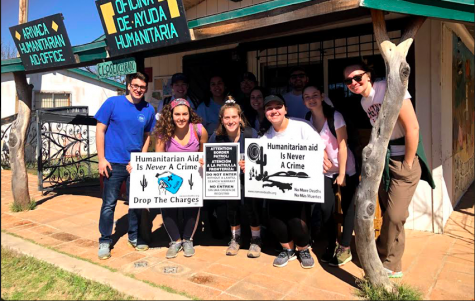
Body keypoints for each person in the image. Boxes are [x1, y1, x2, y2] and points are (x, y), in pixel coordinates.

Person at [343, 63, 434, 278]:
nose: (354, 83)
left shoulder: (388, 88)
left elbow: (412, 127)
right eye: (348, 81)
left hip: (404, 159)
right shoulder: (365, 101)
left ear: (369, 75)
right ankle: (394, 263)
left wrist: (409, 162)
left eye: (358, 77)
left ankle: (384, 254)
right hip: (384, 159)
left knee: (395, 215)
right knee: (389, 213)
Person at [258, 94, 328, 269]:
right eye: (269, 108)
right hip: (275, 186)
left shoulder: (301, 126)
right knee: (275, 218)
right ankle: (287, 250)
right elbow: (257, 156)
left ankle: (303, 249)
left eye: (278, 106)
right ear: (265, 112)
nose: (274, 111)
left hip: (298, 186)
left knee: (297, 219)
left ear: (285, 109)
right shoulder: (265, 132)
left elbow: (317, 146)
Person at [95, 72, 156, 260]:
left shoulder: (148, 109)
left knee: (135, 204)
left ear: (146, 89)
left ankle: (134, 236)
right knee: (109, 204)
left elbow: (147, 136)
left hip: (135, 165)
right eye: (135, 86)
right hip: (112, 163)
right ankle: (105, 240)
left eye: (142, 87)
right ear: (129, 85)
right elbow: (100, 130)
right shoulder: (112, 103)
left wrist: (142, 159)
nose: (139, 90)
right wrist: (101, 159)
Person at [302, 85, 359, 267]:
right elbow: (314, 144)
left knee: (349, 207)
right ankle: (331, 243)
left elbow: (343, 145)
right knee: (326, 208)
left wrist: (342, 173)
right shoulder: (308, 119)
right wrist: (322, 155)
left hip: (346, 167)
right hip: (325, 170)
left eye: (315, 95)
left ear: (322, 96)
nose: (311, 99)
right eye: (307, 96)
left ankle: (344, 247)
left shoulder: (335, 116)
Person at [207, 98, 262, 258]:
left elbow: (261, 160)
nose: (231, 121)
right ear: (221, 120)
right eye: (227, 118)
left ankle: (256, 239)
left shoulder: (251, 134)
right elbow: (210, 157)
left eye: (234, 117)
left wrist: (251, 165)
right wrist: (205, 160)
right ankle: (235, 238)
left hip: (249, 179)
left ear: (240, 118)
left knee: (252, 207)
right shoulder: (216, 137)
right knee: (232, 208)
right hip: (228, 180)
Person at [154, 98, 209, 258]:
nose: (181, 117)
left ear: (190, 114)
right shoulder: (163, 132)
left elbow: (203, 153)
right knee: (168, 207)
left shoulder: (199, 130)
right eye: (177, 114)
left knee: (192, 208)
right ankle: (175, 240)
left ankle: (188, 239)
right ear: (170, 115)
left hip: (193, 178)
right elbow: (158, 158)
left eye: (185, 114)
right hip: (170, 177)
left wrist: (202, 160)